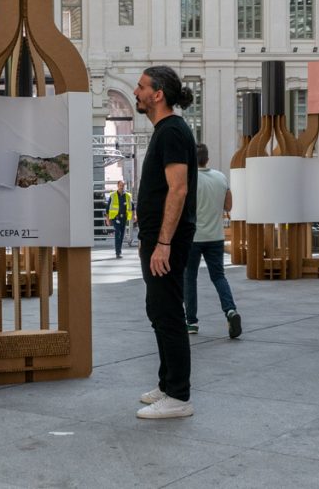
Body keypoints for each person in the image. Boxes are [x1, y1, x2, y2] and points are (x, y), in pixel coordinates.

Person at [132, 65, 198, 420]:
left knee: (168, 312)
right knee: (158, 309)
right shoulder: (165, 131)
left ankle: (178, 395)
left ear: (157, 95)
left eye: (141, 87)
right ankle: (166, 382)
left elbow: (179, 189)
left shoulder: (172, 131)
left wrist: (163, 244)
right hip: (157, 239)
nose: (136, 92)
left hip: (166, 241)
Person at [184, 143, 242, 339]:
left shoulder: (189, 179)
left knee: (189, 278)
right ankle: (230, 310)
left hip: (193, 237)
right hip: (216, 236)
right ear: (207, 159)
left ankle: (191, 322)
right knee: (218, 277)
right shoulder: (221, 177)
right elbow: (228, 206)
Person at [104, 180, 133, 258]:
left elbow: (132, 207)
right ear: (117, 185)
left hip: (124, 218)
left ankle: (119, 250)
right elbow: (107, 209)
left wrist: (134, 215)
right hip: (115, 218)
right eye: (120, 185)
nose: (122, 187)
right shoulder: (113, 195)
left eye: (123, 185)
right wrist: (107, 219)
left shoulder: (128, 196)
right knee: (118, 233)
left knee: (122, 235)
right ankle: (118, 252)